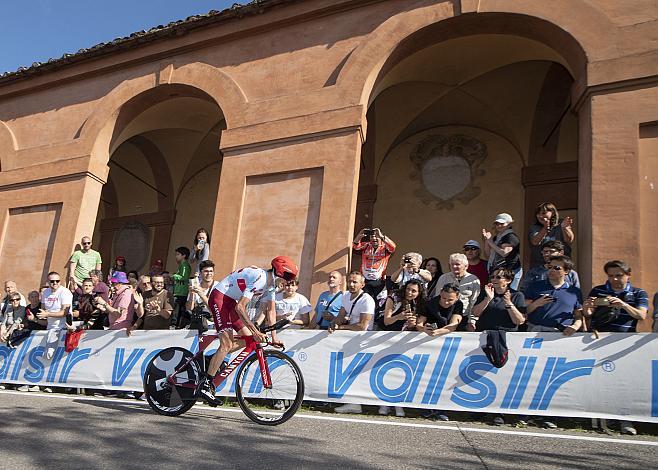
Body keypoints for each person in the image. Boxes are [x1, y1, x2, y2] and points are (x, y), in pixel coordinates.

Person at [199, 256, 297, 403]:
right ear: (279, 274)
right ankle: (205, 385)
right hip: (219, 298)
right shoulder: (261, 278)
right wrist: (256, 331)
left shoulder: (270, 286)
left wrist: (274, 337)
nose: (288, 283)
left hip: (230, 302)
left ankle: (212, 360)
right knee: (226, 344)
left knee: (249, 339)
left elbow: (271, 311)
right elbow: (240, 307)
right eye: (287, 279)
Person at [582, 260, 649, 436]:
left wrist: (624, 305)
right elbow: (588, 314)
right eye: (611, 276)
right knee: (599, 379)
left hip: (624, 341)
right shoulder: (598, 290)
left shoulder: (638, 293)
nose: (614, 279)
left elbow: (642, 315)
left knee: (624, 381)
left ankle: (625, 419)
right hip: (599, 339)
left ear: (628, 275)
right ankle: (600, 419)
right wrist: (587, 308)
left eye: (618, 275)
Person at [525, 255, 583, 430]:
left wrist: (575, 326)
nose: (551, 270)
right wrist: (537, 303)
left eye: (557, 268)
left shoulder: (574, 291)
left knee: (553, 375)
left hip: (560, 336)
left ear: (566, 271)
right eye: (550, 267)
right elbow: (525, 310)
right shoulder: (536, 286)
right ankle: (527, 411)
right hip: (535, 331)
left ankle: (551, 414)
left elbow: (579, 316)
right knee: (531, 372)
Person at [377, 279, 427, 417]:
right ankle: (384, 404)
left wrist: (412, 324)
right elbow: (387, 321)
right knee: (385, 370)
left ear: (419, 292)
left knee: (401, 371)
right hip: (387, 337)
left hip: (404, 339)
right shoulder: (394, 298)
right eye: (408, 289)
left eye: (414, 291)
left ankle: (399, 404)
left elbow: (417, 324)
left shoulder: (420, 303)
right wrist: (399, 316)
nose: (410, 293)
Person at [416, 283, 464, 422]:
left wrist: (439, 332)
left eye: (450, 300)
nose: (446, 302)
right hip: (430, 343)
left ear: (457, 297)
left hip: (448, 342)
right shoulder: (430, 303)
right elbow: (420, 323)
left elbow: (454, 324)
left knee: (446, 377)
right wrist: (424, 329)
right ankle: (425, 407)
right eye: (443, 298)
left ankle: (442, 409)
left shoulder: (458, 304)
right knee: (428, 375)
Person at [329, 271, 376, 414]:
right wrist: (334, 324)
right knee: (345, 369)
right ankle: (349, 402)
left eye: (355, 282)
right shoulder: (345, 296)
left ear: (362, 284)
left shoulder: (366, 300)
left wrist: (341, 327)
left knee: (357, 371)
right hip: (349, 338)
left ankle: (356, 403)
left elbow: (363, 326)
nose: (351, 284)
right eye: (349, 281)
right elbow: (341, 316)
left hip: (363, 339)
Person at [430, 253, 480, 327]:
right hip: (444, 317)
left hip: (464, 318)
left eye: (457, 264)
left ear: (466, 266)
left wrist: (471, 321)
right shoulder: (443, 278)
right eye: (452, 264)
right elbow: (437, 298)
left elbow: (474, 302)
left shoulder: (474, 280)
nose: (454, 267)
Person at [352, 227, 396, 302]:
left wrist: (382, 236)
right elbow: (355, 246)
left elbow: (393, 247)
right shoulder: (366, 245)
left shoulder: (385, 247)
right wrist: (359, 235)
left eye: (377, 236)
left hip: (379, 281)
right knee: (364, 301)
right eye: (372, 236)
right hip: (365, 281)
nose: (374, 238)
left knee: (378, 303)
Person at [38, 272, 73, 360]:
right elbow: (43, 308)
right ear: (48, 282)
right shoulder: (45, 292)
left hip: (63, 326)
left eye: (57, 281)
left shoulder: (65, 292)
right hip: (50, 326)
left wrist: (47, 314)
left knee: (51, 354)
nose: (55, 283)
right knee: (46, 356)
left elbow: (64, 312)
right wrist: (41, 315)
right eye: (52, 281)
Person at [528, 202, 574, 268]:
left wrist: (564, 228)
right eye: (538, 214)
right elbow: (535, 242)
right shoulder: (535, 227)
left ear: (552, 213)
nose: (540, 216)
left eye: (543, 213)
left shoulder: (561, 223)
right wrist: (545, 228)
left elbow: (569, 240)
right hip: (539, 266)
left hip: (561, 266)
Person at [482, 213, 522, 290]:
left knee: (509, 294)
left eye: (502, 223)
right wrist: (487, 241)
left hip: (510, 272)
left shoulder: (511, 237)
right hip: (497, 271)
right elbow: (488, 255)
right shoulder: (497, 238)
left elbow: (505, 253)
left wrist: (490, 242)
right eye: (497, 224)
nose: (499, 226)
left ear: (509, 224)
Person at [186, 260, 218, 333]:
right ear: (200, 273)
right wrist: (191, 294)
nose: (209, 274)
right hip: (197, 324)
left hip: (212, 325)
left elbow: (214, 308)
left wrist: (201, 294)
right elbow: (189, 308)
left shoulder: (218, 287)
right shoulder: (196, 286)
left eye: (211, 271)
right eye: (206, 271)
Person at [171, 247, 192, 328]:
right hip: (179, 290)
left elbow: (184, 277)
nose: (176, 256)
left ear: (184, 255)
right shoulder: (182, 265)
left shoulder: (184, 265)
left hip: (181, 292)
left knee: (178, 310)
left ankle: (176, 324)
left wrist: (173, 276)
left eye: (178, 254)